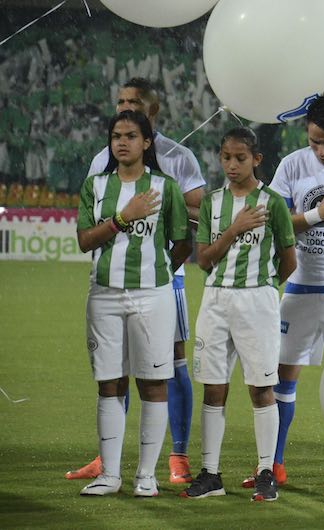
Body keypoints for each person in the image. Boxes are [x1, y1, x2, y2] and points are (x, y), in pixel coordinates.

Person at [67, 77, 205, 484]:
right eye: (121, 103)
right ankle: (108, 460)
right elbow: (88, 228)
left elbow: (194, 213)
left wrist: (162, 257)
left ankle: (176, 455)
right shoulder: (99, 167)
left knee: (169, 366)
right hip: (111, 283)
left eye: (134, 104)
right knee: (115, 372)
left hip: (164, 282)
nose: (125, 108)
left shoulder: (178, 157)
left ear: (152, 112)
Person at [244, 93, 324, 491]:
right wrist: (319, 214)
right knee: (282, 376)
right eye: (314, 141)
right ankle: (275, 464)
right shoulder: (291, 165)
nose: (321, 151)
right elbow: (276, 224)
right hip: (299, 286)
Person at [180, 127, 296, 502]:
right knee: (214, 388)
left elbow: (289, 261)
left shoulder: (273, 203)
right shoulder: (212, 203)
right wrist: (234, 230)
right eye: (226, 157)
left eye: (240, 158)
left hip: (256, 301)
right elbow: (203, 260)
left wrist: (262, 287)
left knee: (262, 388)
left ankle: (266, 471)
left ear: (256, 160)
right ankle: (211, 473)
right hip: (215, 300)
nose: (232, 165)